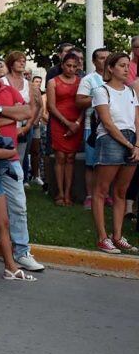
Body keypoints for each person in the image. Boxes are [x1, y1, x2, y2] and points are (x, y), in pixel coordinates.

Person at [0, 51, 44, 273]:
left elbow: (26, 112)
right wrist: (11, 115)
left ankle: (22, 252)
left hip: (10, 157)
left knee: (19, 205)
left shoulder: (8, 89)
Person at [91, 53, 139, 254]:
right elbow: (108, 122)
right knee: (102, 190)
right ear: (110, 68)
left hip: (131, 140)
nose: (126, 69)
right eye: (121, 65)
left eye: (127, 65)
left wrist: (137, 145)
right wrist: (129, 144)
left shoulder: (131, 92)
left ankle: (117, 236)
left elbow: (137, 120)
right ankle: (102, 237)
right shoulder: (101, 91)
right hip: (112, 139)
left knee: (121, 191)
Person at [47, 52, 84, 206]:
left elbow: (84, 104)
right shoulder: (53, 82)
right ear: (62, 65)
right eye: (68, 65)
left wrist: (77, 122)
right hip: (59, 122)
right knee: (60, 157)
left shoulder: (82, 82)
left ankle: (68, 193)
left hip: (77, 122)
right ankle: (60, 193)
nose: (71, 69)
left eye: (74, 66)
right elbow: (51, 106)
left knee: (71, 158)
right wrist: (67, 123)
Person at [76, 48, 110, 208]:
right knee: (91, 163)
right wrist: (98, 97)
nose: (105, 60)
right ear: (94, 61)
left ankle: (106, 194)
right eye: (101, 58)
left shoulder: (115, 78)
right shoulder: (89, 79)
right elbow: (79, 101)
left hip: (113, 127)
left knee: (108, 163)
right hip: (93, 127)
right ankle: (90, 196)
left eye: (108, 58)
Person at [29, 75, 46, 186]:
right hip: (26, 123)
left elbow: (41, 107)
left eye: (40, 81)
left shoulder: (41, 93)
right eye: (36, 81)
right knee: (26, 151)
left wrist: (37, 120)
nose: (38, 83)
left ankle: (36, 175)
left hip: (36, 125)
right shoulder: (28, 90)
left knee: (36, 151)